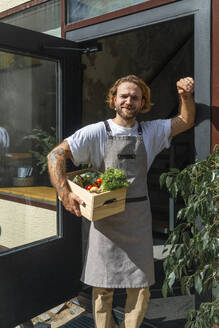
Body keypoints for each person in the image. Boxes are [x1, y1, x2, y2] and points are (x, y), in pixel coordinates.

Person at [47, 74, 195, 328]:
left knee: (140, 287)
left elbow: (185, 120)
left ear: (142, 103)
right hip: (104, 220)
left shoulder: (151, 131)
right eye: (124, 96)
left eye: (135, 97)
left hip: (137, 218)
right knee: (102, 289)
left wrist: (184, 96)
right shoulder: (96, 132)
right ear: (114, 99)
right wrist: (64, 192)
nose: (129, 101)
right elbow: (56, 154)